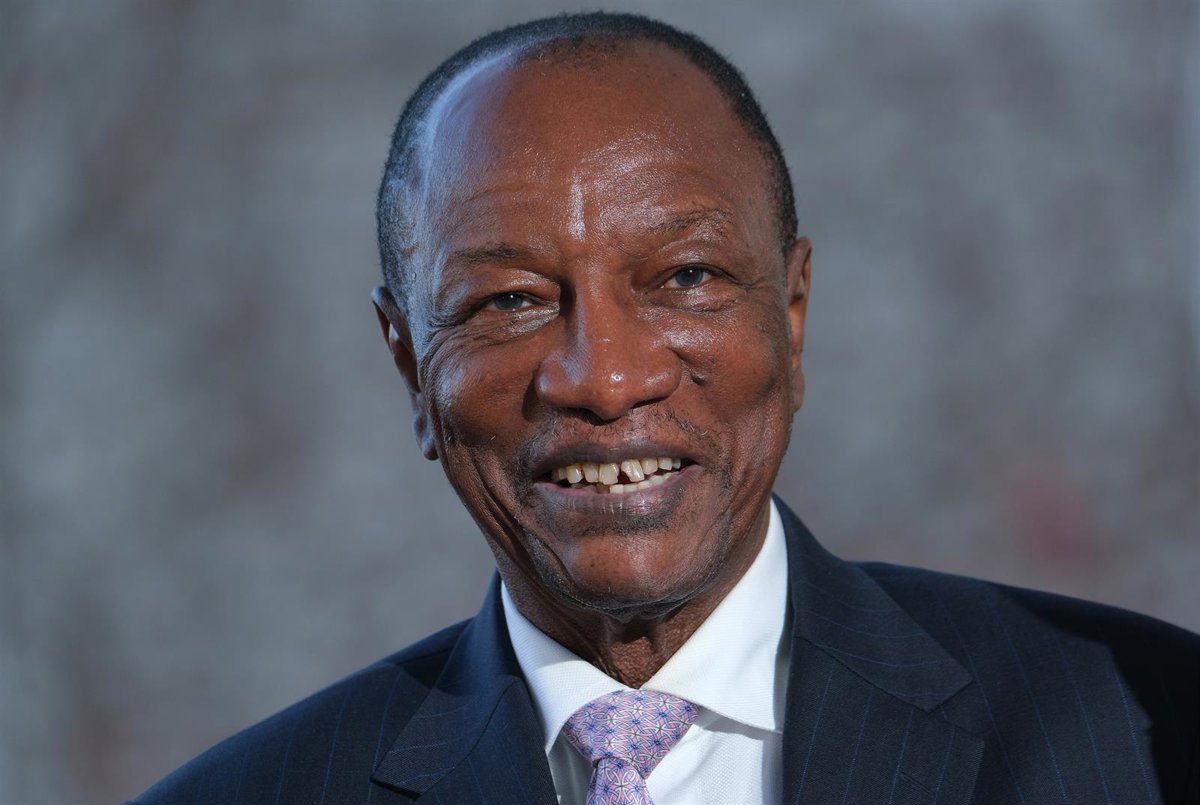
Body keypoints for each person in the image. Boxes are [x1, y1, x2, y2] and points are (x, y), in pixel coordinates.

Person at [131, 12, 1200, 805]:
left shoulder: (1150, 734)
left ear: (791, 317)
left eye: (686, 278)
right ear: (412, 367)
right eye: (509, 301)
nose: (604, 378)